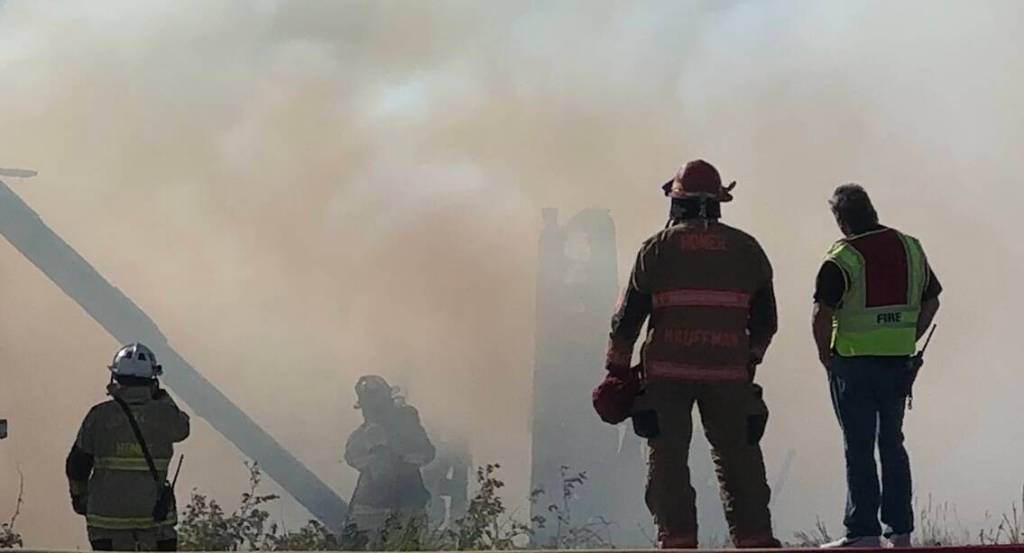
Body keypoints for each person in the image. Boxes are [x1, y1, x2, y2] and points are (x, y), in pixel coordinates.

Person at [595, 159, 780, 548]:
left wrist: (616, 373)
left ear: (677, 203)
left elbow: (626, 321)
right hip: (729, 378)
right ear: (717, 202)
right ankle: (755, 541)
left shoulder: (657, 250)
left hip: (666, 379)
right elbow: (766, 322)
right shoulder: (747, 250)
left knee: (668, 464)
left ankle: (677, 542)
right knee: (740, 462)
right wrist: (749, 359)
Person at [813, 184, 941, 548]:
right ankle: (900, 531)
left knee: (859, 446)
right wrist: (907, 337)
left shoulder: (843, 257)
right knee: (892, 444)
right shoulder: (910, 247)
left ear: (840, 219)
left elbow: (821, 313)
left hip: (852, 366)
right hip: (898, 365)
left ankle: (863, 532)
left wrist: (827, 357)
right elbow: (932, 301)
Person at [66, 343, 190, 551]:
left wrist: (80, 498)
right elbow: (182, 429)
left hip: (106, 524)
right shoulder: (167, 416)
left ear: (115, 379)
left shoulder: (99, 416)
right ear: (153, 381)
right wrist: (161, 396)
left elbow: (77, 466)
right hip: (155, 522)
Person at [344, 375, 435, 544]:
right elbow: (351, 456)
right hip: (370, 509)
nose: (371, 412)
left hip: (407, 505)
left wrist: (393, 451)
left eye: (376, 407)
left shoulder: (408, 427)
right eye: (368, 408)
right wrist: (371, 451)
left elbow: (426, 453)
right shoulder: (361, 436)